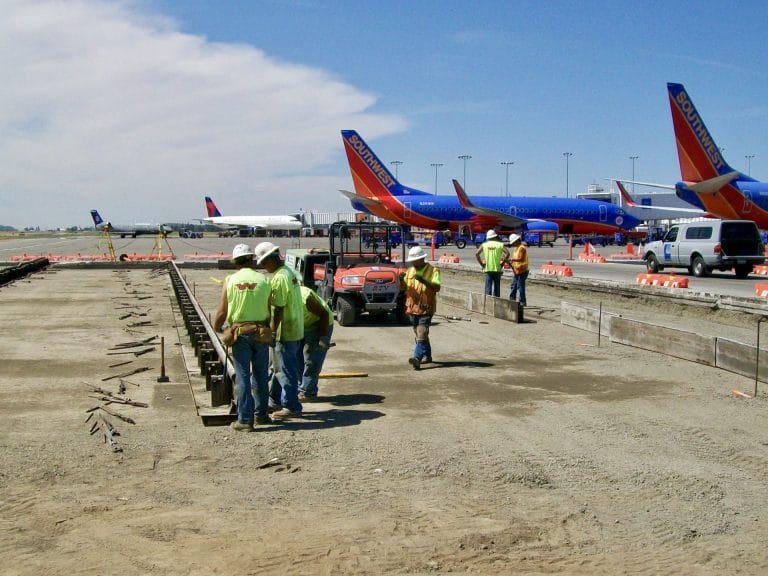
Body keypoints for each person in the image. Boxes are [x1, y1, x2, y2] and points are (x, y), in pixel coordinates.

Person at [213, 244, 273, 431]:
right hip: (261, 332)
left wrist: (217, 327)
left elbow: (222, 310)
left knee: (243, 376)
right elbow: (269, 307)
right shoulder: (264, 279)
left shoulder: (230, 280)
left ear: (236, 262)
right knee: (261, 376)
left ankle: (245, 420)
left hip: (240, 334)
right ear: (251, 260)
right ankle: (261, 415)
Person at [254, 241, 305, 419]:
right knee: (279, 367)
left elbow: (280, 308)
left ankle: (292, 406)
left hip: (286, 330)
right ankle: (274, 401)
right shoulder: (289, 272)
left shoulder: (280, 278)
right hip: (295, 327)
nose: (263, 267)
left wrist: (272, 332)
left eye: (263, 264)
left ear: (269, 260)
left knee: (286, 369)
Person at [403, 246, 441, 370]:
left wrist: (423, 280)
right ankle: (427, 356)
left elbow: (436, 288)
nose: (413, 263)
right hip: (412, 307)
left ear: (422, 259)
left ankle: (417, 358)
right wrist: (400, 282)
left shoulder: (433, 270)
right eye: (412, 261)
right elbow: (404, 288)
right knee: (419, 333)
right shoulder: (410, 271)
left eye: (415, 260)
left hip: (426, 307)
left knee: (422, 331)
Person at [298, 285, 334, 401]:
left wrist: (323, 337)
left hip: (319, 323)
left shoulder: (304, 298)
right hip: (301, 325)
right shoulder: (280, 298)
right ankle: (300, 388)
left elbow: (324, 314)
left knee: (312, 359)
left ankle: (308, 392)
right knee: (296, 357)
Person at [475, 229, 510, 297]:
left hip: (488, 269)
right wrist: (502, 263)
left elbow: (477, 254)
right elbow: (508, 253)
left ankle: (488, 304)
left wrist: (482, 264)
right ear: (495, 236)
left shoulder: (484, 245)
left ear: (488, 237)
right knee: (497, 288)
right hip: (497, 269)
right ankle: (496, 303)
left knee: (488, 288)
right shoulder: (500, 244)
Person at [508, 233, 529, 307]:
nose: (512, 244)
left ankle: (522, 301)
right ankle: (512, 299)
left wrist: (512, 259)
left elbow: (521, 258)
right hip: (517, 270)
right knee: (513, 285)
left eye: (513, 243)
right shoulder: (516, 248)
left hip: (522, 271)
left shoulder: (521, 248)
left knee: (520, 287)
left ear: (517, 241)